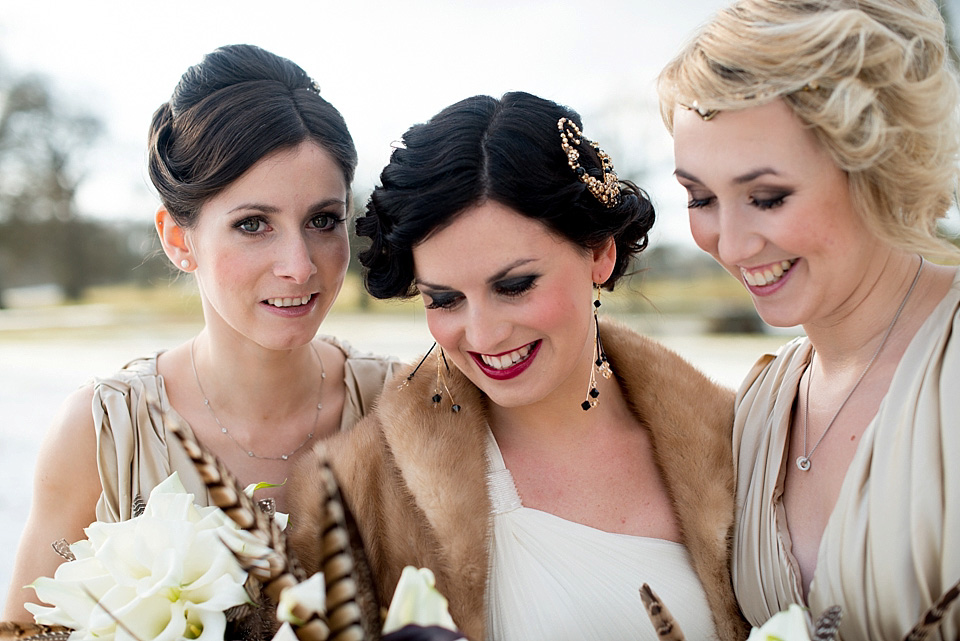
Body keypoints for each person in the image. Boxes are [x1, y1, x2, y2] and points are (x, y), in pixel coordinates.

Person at [289, 91, 748, 641]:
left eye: (514, 286)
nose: (482, 335)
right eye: (444, 299)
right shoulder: (358, 496)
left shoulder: (742, 442)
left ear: (600, 252)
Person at [2, 44, 394, 622]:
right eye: (253, 224)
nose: (301, 265)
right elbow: (24, 635)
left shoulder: (406, 408)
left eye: (322, 220)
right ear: (179, 239)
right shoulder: (103, 435)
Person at [658, 0, 960, 638]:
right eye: (701, 198)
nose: (732, 245)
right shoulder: (758, 410)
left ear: (876, 166)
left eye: (767, 198)